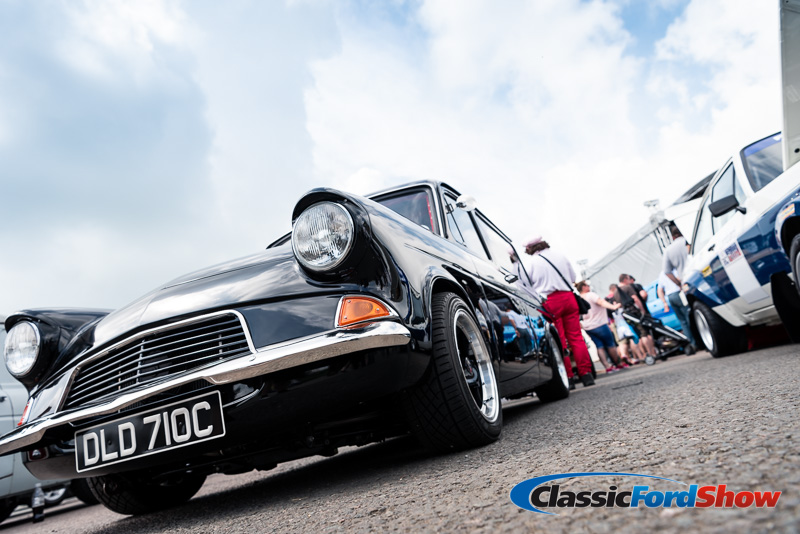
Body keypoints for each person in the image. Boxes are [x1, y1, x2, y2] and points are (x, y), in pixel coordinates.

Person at [524, 236, 595, 387]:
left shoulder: (531, 263)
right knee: (576, 338)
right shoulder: (560, 255)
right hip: (568, 297)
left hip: (550, 301)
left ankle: (568, 377)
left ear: (529, 248)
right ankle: (586, 374)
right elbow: (573, 278)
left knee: (560, 340)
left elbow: (527, 286)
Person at [576, 280, 626, 373]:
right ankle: (618, 364)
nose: (589, 287)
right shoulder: (590, 295)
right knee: (610, 344)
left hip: (588, 327)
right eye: (587, 285)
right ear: (583, 287)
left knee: (599, 347)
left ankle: (607, 367)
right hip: (600, 324)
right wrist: (613, 307)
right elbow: (601, 302)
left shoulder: (578, 298)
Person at [662, 226, 698, 352]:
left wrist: (679, 283)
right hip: (698, 275)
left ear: (672, 237)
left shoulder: (669, 250)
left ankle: (692, 344)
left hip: (685, 284)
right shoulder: (691, 240)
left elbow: (667, 271)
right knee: (697, 313)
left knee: (684, 320)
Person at [615, 274, 657, 359]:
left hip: (627, 315)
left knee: (637, 336)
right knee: (644, 334)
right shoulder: (628, 287)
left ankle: (643, 355)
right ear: (625, 279)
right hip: (635, 313)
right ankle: (650, 353)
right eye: (628, 279)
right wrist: (642, 310)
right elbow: (636, 299)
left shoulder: (616, 292)